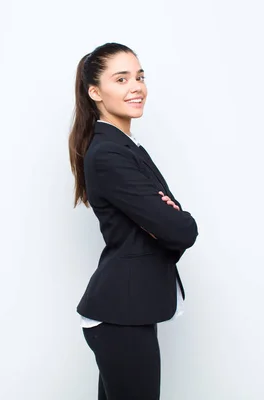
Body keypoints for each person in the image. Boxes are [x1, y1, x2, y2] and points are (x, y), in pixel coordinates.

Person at [68, 42, 198, 400]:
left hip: (126, 313)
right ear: (95, 92)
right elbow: (181, 230)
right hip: (120, 315)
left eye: (139, 77)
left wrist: (168, 218)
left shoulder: (125, 146)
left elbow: (169, 225)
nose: (136, 87)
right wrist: (173, 218)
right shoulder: (109, 152)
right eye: (121, 79)